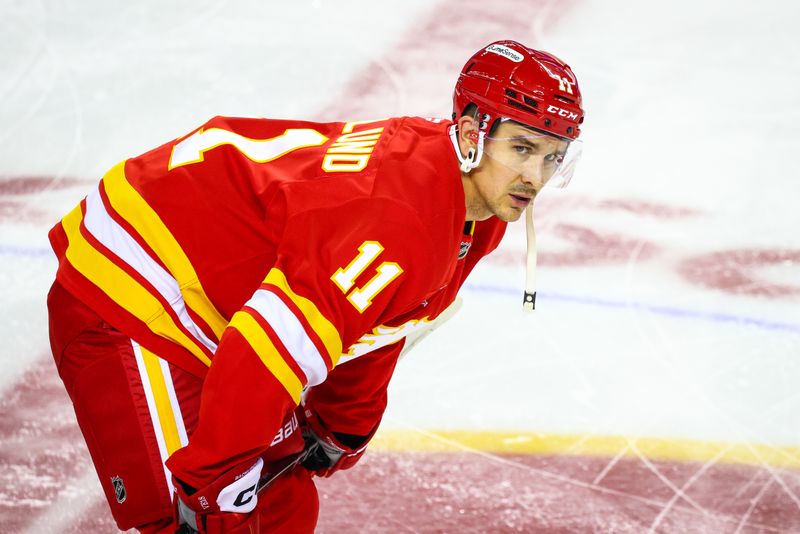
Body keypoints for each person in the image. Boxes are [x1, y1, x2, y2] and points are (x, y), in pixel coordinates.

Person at [46, 40, 584, 533]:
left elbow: (384, 316)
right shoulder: (398, 218)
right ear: (472, 134)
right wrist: (213, 476)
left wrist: (340, 421)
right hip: (131, 292)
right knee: (203, 516)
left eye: (553, 156)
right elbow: (268, 349)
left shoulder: (472, 206)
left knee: (281, 507)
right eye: (522, 148)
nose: (535, 177)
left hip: (215, 294)